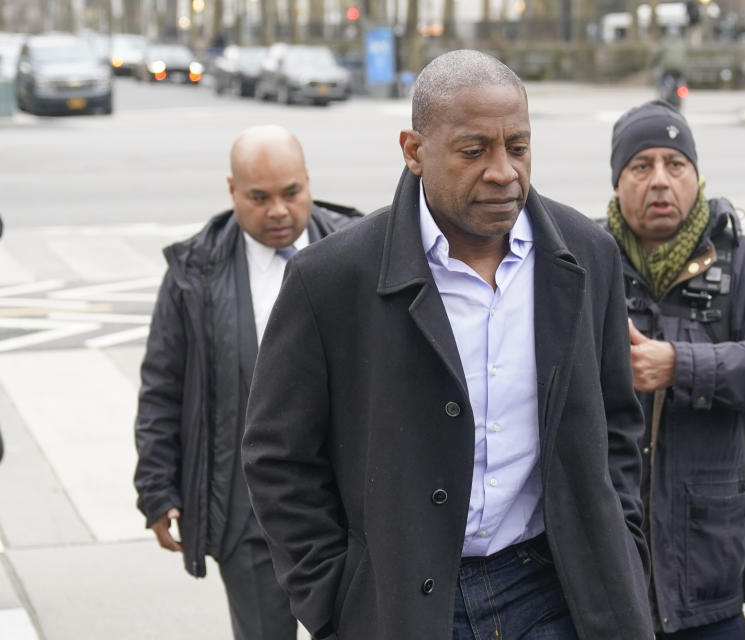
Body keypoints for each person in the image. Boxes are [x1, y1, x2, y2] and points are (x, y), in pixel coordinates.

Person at [242, 50, 655, 640]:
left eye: (518, 147)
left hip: (557, 594)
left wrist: (622, 553)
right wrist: (336, 601)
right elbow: (277, 457)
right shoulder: (330, 279)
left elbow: (617, 426)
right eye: (473, 151)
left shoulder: (588, 257)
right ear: (414, 151)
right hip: (405, 607)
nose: (503, 172)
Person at [133, 125, 361, 640]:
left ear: (308, 182)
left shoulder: (359, 251)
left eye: (290, 193)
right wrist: (156, 486)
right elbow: (163, 387)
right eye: (259, 197)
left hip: (351, 506)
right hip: (245, 509)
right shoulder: (196, 272)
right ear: (232, 191)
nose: (278, 211)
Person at [603, 100, 745, 639]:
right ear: (617, 181)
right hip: (601, 579)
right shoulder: (582, 261)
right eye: (641, 166)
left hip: (708, 582)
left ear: (696, 177)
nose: (659, 181)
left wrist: (678, 365)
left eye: (675, 165)